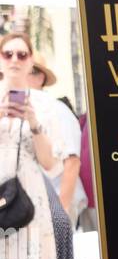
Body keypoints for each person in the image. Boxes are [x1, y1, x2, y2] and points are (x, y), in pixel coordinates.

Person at [0, 31, 66, 259]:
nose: (15, 59)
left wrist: (34, 123)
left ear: (31, 62)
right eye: (8, 54)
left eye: (22, 54)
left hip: (30, 197)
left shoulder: (45, 105)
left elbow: (51, 163)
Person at [29, 53, 88, 229]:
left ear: (40, 77)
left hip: (54, 205)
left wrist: (60, 212)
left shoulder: (58, 111)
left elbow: (72, 162)